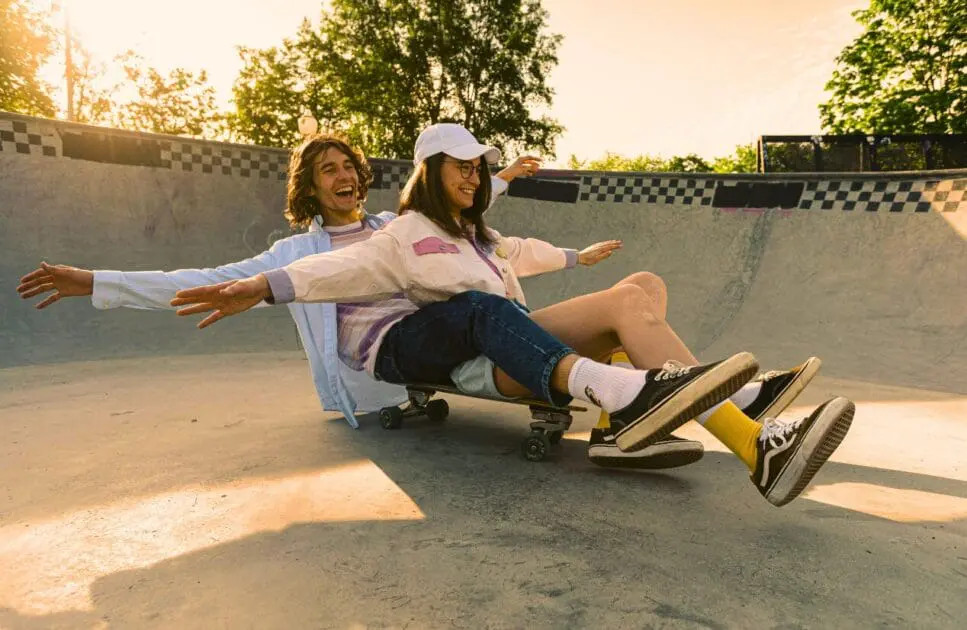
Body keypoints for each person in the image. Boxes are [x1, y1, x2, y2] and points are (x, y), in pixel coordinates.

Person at [170, 123, 855, 507]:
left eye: (479, 171)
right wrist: (267, 285)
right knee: (532, 305)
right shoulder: (403, 232)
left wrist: (575, 254)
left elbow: (525, 249)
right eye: (459, 169)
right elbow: (340, 269)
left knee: (639, 284)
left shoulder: (482, 236)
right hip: (474, 347)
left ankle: (629, 427)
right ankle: (740, 427)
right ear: (430, 173)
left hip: (509, 335)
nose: (473, 179)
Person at [17, 131, 704, 471]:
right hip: (418, 350)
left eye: (351, 167)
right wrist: (96, 282)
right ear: (310, 189)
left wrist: (502, 179)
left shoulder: (394, 227)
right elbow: (197, 278)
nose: (346, 177)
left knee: (632, 291)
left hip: (460, 325)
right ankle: (667, 399)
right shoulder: (295, 254)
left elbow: (467, 224)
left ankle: (667, 407)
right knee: (488, 311)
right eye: (330, 171)